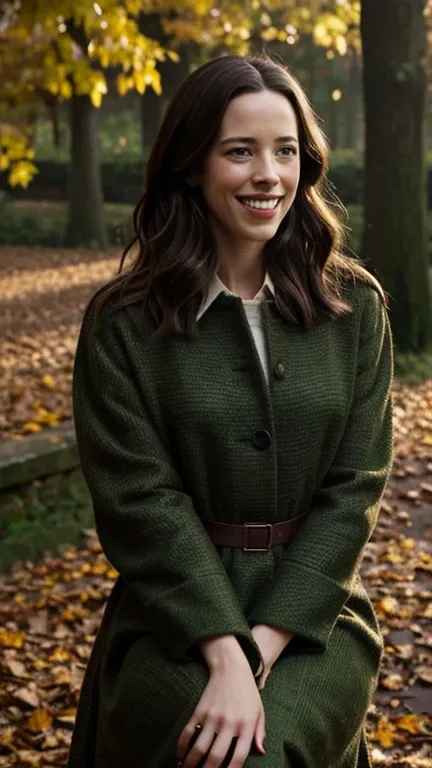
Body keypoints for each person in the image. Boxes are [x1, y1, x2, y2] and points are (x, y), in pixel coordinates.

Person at [68, 54, 394, 768]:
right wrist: (223, 653)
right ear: (192, 164)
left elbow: (354, 492)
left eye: (285, 151)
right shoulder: (124, 324)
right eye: (239, 152)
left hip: (316, 615)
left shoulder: (355, 308)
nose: (268, 175)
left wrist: (263, 648)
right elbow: (138, 501)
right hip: (174, 617)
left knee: (260, 756)